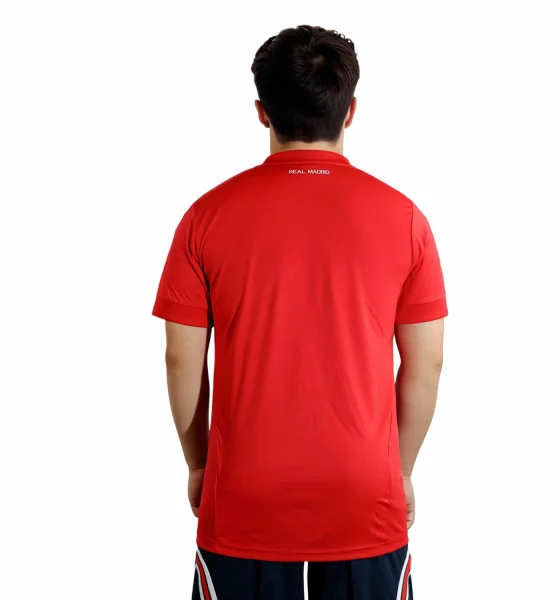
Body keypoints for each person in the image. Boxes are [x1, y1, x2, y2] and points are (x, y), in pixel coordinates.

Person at [152, 24, 447, 600]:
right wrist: (401, 470)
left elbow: (181, 361)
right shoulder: (405, 219)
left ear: (262, 112)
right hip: (364, 490)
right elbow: (426, 364)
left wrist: (200, 466)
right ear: (350, 111)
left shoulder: (205, 217)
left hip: (246, 492)